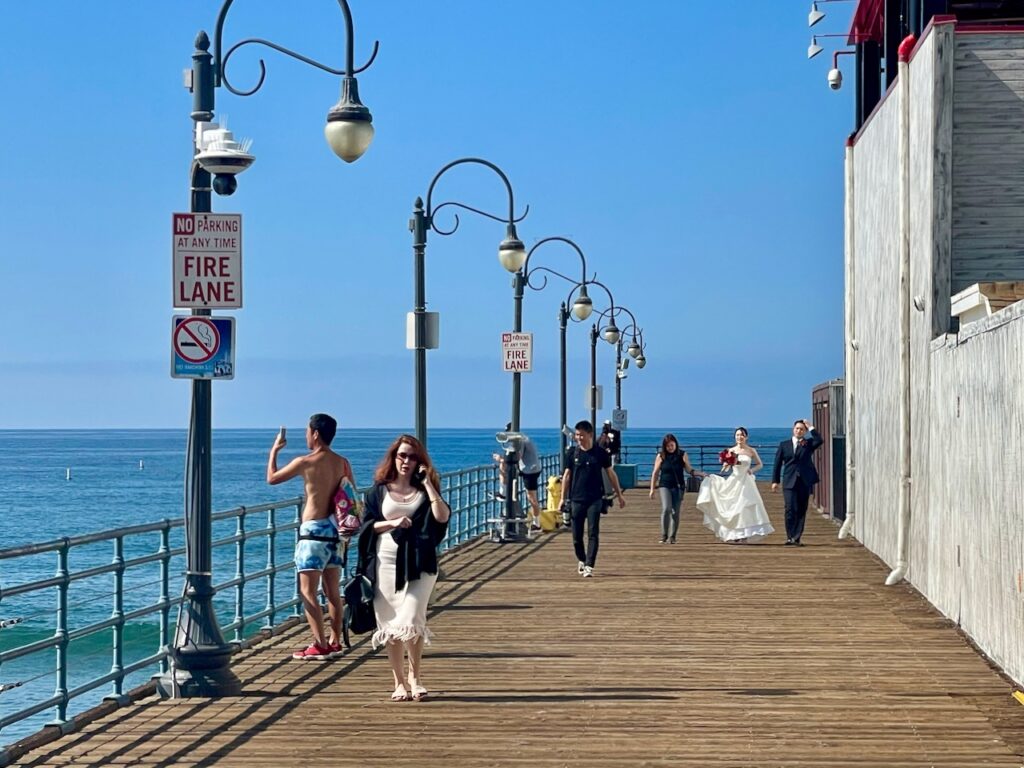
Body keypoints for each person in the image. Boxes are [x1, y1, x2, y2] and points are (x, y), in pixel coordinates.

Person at [358, 434, 450, 702]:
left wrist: (429, 484)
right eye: (402, 456)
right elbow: (366, 527)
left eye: (412, 457)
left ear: (420, 461)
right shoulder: (378, 491)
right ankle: (399, 682)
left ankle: (415, 676)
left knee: (411, 619)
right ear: (393, 458)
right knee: (390, 624)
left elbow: (442, 517)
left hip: (420, 564)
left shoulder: (425, 490)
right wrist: (393, 523)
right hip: (385, 563)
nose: (406, 461)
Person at [266, 413, 355, 660]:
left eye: (307, 431)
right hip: (336, 533)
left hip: (313, 532)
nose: (306, 435)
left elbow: (272, 478)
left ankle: (320, 643)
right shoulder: (343, 463)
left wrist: (275, 449)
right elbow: (350, 496)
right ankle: (336, 641)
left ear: (315, 433)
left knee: (307, 591)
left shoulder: (305, 462)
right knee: (333, 592)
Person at [561, 420, 626, 578]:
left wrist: (619, 495)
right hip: (576, 498)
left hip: (595, 498)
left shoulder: (600, 453)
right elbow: (567, 476)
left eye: (582, 435)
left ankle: (590, 564)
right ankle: (582, 559)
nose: (579, 438)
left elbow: (611, 474)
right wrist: (562, 498)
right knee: (576, 536)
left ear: (590, 434)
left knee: (593, 532)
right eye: (577, 435)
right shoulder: (572, 453)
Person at [696, 427, 774, 543]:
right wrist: (725, 466)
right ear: (735, 437)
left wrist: (751, 471)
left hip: (746, 480)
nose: (739, 437)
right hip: (735, 479)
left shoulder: (751, 450)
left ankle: (744, 534)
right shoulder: (731, 450)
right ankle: (735, 533)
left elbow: (760, 464)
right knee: (733, 506)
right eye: (737, 435)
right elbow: (726, 469)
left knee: (744, 506)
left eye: (742, 435)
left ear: (746, 437)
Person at [771, 419, 824, 546]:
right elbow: (777, 464)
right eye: (797, 428)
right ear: (793, 429)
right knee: (790, 508)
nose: (798, 431)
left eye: (801, 429)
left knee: (801, 509)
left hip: (804, 481)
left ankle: (797, 537)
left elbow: (820, 440)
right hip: (789, 481)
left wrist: (811, 427)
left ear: (804, 431)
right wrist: (775, 481)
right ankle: (790, 536)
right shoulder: (784, 445)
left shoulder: (809, 443)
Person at [648, 433, 703, 544]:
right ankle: (664, 535)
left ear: (676, 444)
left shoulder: (682, 454)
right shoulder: (661, 456)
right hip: (665, 485)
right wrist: (652, 489)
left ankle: (672, 537)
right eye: (668, 446)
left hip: (679, 486)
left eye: (672, 445)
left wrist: (700, 474)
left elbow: (688, 469)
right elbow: (655, 473)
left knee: (675, 512)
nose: (670, 448)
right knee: (666, 508)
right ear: (665, 446)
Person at [492, 424, 543, 532]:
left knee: (531, 497)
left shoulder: (520, 440)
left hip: (530, 470)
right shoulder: (522, 438)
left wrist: (500, 458)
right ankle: (504, 492)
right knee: (504, 468)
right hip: (529, 468)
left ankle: (537, 523)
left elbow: (516, 457)